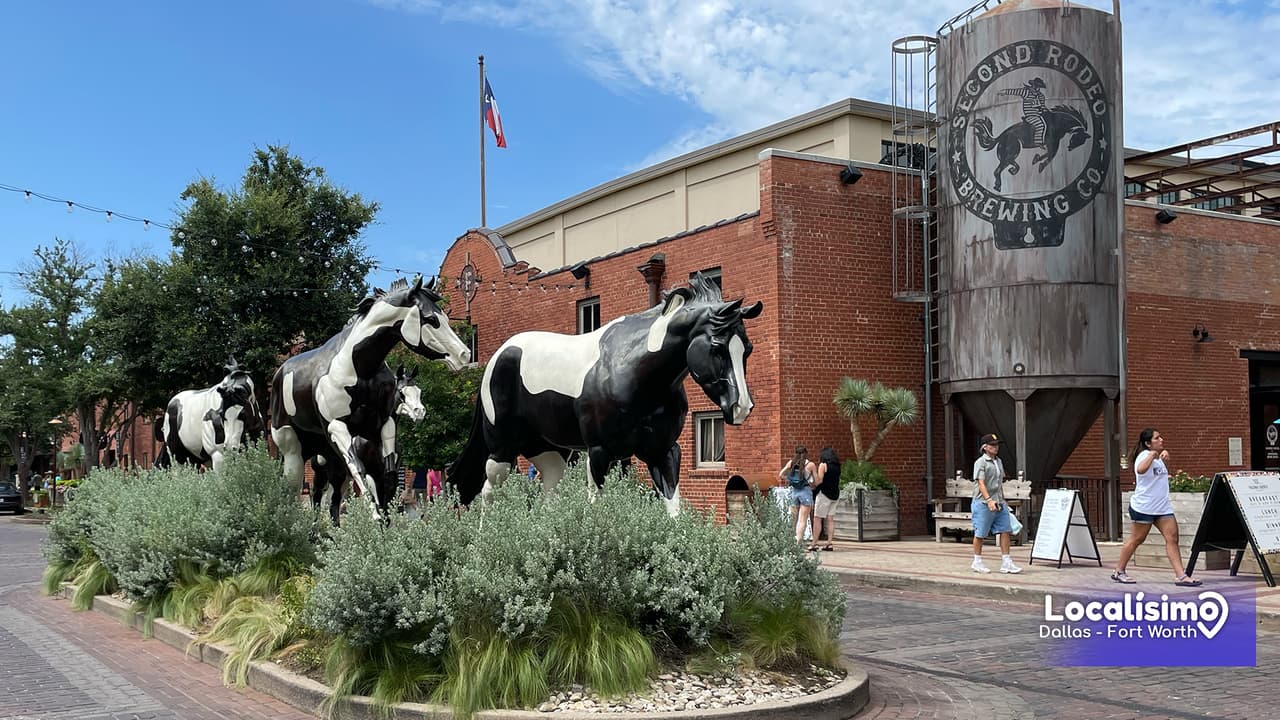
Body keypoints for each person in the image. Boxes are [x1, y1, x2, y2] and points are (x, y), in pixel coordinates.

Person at [1111, 428, 1201, 586]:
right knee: (1137, 539)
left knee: (1172, 538)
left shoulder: (1157, 457)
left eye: (1160, 437)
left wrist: (1162, 458)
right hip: (1144, 507)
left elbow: (1156, 476)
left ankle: (1181, 576)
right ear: (1148, 443)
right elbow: (1140, 470)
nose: (1161, 440)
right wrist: (1152, 455)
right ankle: (1119, 571)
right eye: (1157, 438)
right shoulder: (1144, 456)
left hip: (1162, 507)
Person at [971, 434, 1022, 574]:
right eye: (992, 445)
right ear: (985, 447)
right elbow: (980, 482)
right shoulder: (980, 462)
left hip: (999, 501)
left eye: (997, 445)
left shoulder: (999, 461)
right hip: (982, 502)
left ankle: (1006, 562)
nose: (995, 447)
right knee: (980, 532)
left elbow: (999, 483)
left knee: (1005, 530)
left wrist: (1003, 500)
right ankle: (977, 561)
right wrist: (988, 500)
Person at [778, 445, 817, 547]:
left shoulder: (791, 462)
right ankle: (798, 542)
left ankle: (790, 540)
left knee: (793, 518)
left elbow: (781, 474)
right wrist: (812, 483)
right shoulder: (810, 464)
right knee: (802, 519)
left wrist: (790, 479)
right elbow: (816, 481)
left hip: (794, 491)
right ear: (806, 453)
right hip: (805, 491)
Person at [811, 447, 841, 551]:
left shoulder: (823, 465)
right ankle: (829, 543)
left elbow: (819, 481)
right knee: (830, 519)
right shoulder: (837, 466)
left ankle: (814, 543)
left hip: (824, 494)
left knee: (817, 518)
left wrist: (812, 479)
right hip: (835, 494)